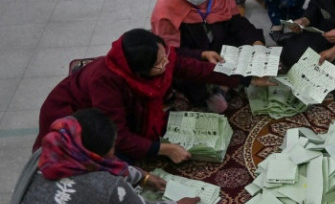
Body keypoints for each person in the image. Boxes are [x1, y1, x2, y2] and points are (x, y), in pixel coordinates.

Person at [33, 29, 266, 164]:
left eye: (165, 56)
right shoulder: (105, 82)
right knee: (114, 163)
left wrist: (245, 78)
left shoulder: (157, 57)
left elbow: (192, 68)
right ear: (138, 72)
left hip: (114, 109)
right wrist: (164, 149)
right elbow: (118, 135)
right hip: (75, 117)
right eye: (160, 64)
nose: (167, 63)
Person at [3, 109, 199, 204]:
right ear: (92, 156)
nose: (115, 153)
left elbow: (111, 165)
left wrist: (142, 177)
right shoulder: (104, 188)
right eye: (112, 148)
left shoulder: (48, 154)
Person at [151, 0, 266, 113]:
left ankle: (222, 87)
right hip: (191, 56)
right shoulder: (168, 7)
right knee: (185, 75)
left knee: (248, 49)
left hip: (217, 47)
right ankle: (221, 88)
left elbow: (236, 23)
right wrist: (202, 54)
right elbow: (170, 52)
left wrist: (256, 42)